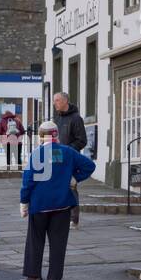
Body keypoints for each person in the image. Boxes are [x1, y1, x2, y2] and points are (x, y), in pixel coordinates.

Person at [20, 121, 95, 280]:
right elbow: (89, 166)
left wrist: (24, 202)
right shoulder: (68, 152)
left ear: (40, 136)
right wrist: (75, 178)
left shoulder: (36, 154)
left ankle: (33, 276)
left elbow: (28, 181)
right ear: (56, 135)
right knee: (58, 242)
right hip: (62, 204)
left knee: (35, 240)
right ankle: (54, 278)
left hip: (39, 204)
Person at [51, 92, 88, 227]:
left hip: (70, 158)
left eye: (57, 100)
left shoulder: (76, 118)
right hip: (55, 156)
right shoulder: (56, 118)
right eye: (54, 100)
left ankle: (74, 219)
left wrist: (67, 151)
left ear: (65, 101)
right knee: (57, 186)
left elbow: (82, 140)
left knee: (71, 187)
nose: (55, 103)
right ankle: (60, 217)